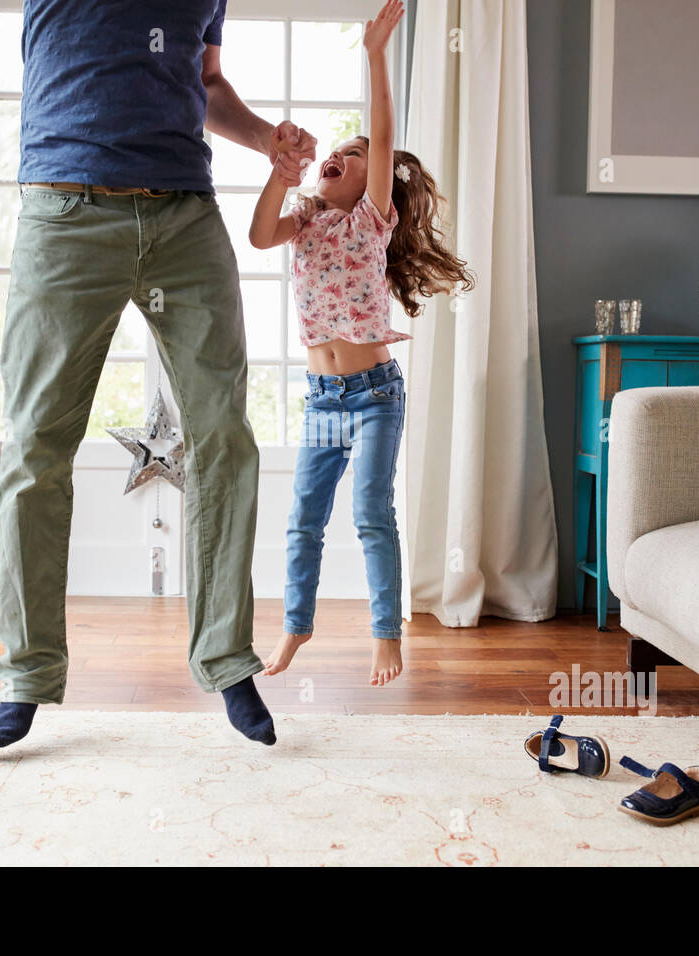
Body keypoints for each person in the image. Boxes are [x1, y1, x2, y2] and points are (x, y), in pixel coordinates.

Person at [0, 0, 317, 752]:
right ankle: (27, 676)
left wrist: (266, 138)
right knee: (36, 446)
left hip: (185, 216)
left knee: (225, 438)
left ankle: (227, 659)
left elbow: (208, 82)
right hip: (65, 210)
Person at [249, 0, 473, 686]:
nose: (340, 157)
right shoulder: (305, 222)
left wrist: (375, 56)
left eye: (354, 156)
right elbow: (258, 236)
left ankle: (385, 634)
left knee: (372, 512)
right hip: (321, 400)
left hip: (375, 396)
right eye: (336, 153)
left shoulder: (369, 222)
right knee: (303, 521)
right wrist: (279, 176)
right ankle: (296, 626)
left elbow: (381, 125)